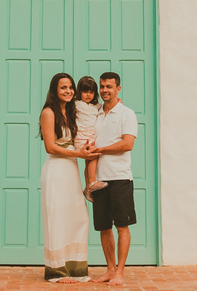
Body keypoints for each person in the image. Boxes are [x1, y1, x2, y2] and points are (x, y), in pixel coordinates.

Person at [39, 72, 95, 283]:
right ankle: (57, 271)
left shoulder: (72, 111)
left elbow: (93, 113)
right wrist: (79, 154)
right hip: (56, 171)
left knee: (78, 217)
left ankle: (76, 268)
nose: (69, 91)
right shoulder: (48, 112)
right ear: (55, 90)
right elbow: (51, 147)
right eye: (63, 87)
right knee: (57, 217)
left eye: (71, 87)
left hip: (71, 170)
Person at [89, 72, 137, 287]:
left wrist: (102, 149)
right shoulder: (95, 113)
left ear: (118, 88)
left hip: (120, 178)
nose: (104, 90)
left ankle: (120, 272)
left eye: (109, 86)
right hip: (98, 180)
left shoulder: (127, 113)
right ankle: (109, 269)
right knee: (103, 227)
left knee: (121, 226)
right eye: (102, 86)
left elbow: (127, 144)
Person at [75, 76, 107, 201]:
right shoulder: (76, 104)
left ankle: (88, 188)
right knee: (93, 155)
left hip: (91, 136)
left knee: (89, 162)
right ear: (79, 92)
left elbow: (107, 106)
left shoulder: (97, 105)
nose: (88, 95)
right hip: (81, 136)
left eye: (91, 92)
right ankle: (92, 182)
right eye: (85, 91)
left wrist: (118, 101)